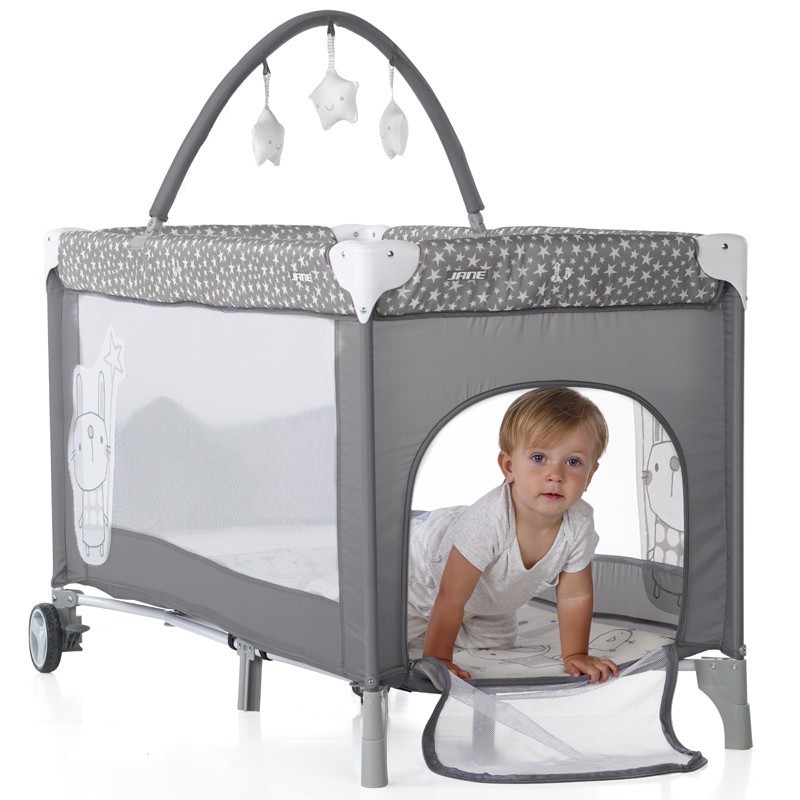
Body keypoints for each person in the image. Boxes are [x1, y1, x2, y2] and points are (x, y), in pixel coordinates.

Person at [407, 387, 620, 683]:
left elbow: (575, 594)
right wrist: (439, 658)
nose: (555, 475)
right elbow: (451, 594)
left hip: (490, 597)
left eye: (573, 462)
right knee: (391, 636)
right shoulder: (489, 520)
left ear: (590, 475)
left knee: (498, 642)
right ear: (509, 467)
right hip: (426, 575)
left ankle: (451, 624)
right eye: (539, 458)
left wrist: (575, 654)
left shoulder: (579, 521)